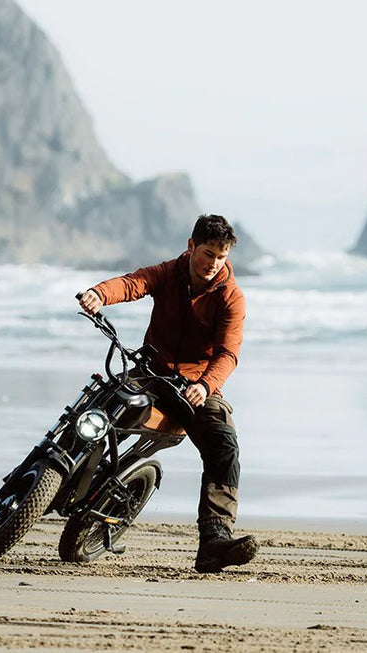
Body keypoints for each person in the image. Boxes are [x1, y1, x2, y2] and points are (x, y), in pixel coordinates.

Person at [78, 214, 258, 573]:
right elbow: (133, 283)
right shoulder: (169, 273)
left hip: (195, 385)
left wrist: (204, 385)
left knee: (225, 446)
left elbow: (228, 353)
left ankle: (214, 540)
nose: (213, 264)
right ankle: (63, 467)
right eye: (208, 253)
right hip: (150, 371)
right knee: (101, 405)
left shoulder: (230, 297)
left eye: (221, 257)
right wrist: (100, 293)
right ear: (191, 246)